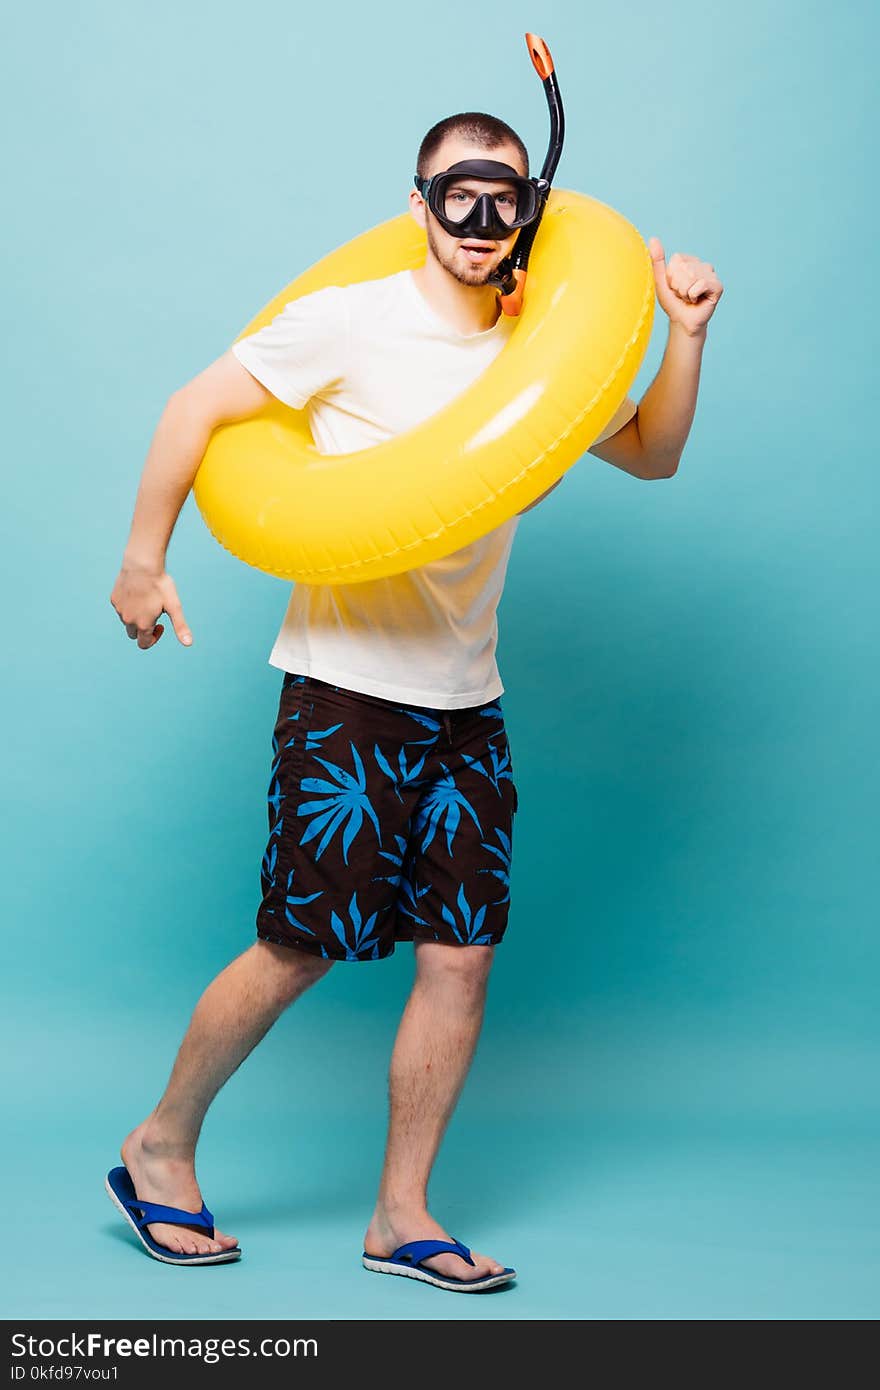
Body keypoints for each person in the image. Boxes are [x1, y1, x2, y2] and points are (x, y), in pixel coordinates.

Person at [107, 110, 722, 1291]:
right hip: (347, 692)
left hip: (465, 698)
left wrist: (683, 334)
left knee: (460, 956)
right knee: (298, 947)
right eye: (456, 195)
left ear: (526, 214)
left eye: (503, 199)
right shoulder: (352, 321)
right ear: (417, 205)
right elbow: (194, 407)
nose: (479, 221)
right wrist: (145, 556)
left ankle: (401, 1213)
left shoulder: (545, 350)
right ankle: (159, 1144)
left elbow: (651, 452)